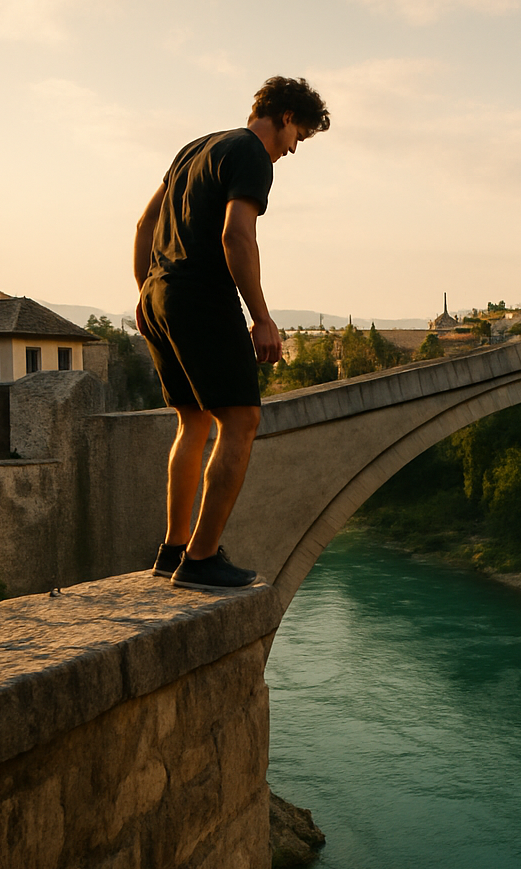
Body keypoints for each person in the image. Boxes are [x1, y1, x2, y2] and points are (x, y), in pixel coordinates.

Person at [133, 77, 329, 590]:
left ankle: (172, 550)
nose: (293, 150)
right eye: (298, 137)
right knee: (241, 421)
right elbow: (236, 234)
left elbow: (145, 224)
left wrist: (146, 291)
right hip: (201, 296)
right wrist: (261, 317)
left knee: (193, 421)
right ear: (286, 117)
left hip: (160, 293)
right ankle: (200, 560)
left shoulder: (195, 149)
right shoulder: (251, 154)